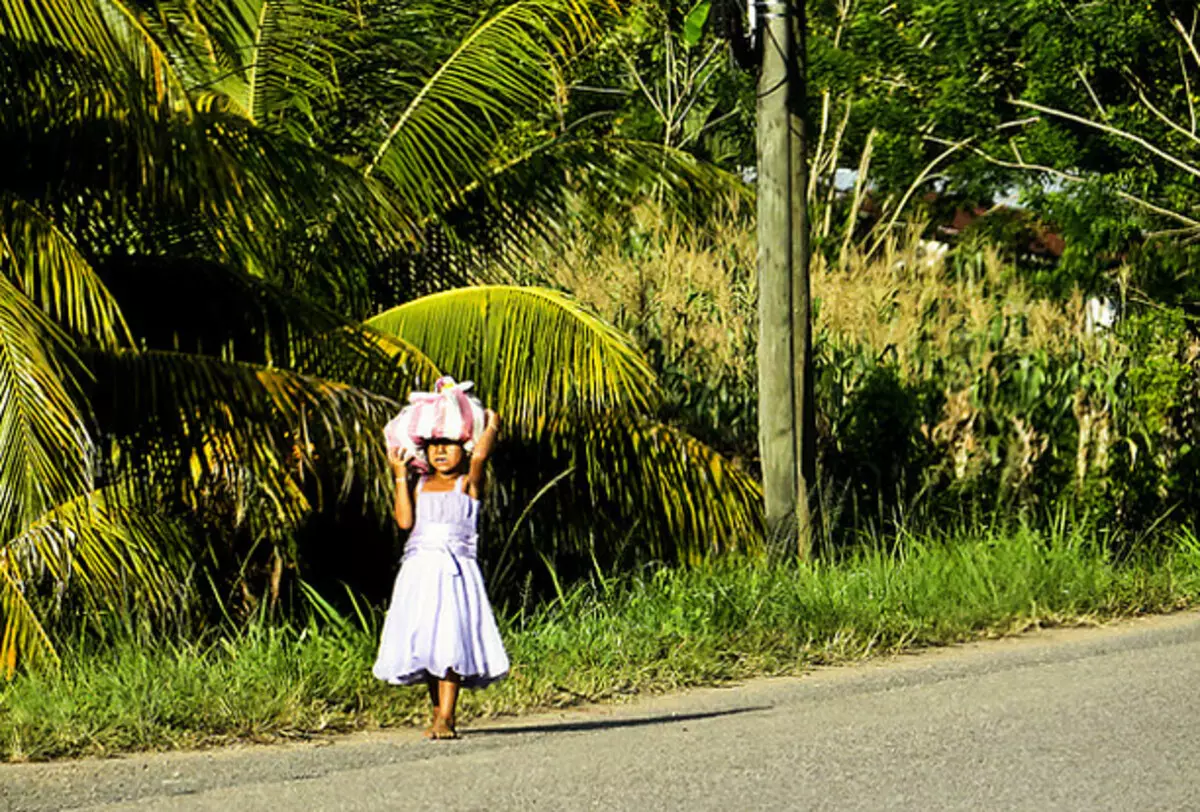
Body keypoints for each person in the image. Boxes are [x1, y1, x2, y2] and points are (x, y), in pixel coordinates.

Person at [372, 409, 509, 739]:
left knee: (450, 639)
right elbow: (405, 522)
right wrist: (399, 474)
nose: (441, 451)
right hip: (419, 570)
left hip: (455, 572)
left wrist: (491, 426)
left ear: (463, 448)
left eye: (449, 444)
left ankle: (446, 716)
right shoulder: (419, 485)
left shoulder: (468, 483)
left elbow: (481, 455)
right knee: (430, 640)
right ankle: (438, 715)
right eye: (434, 446)